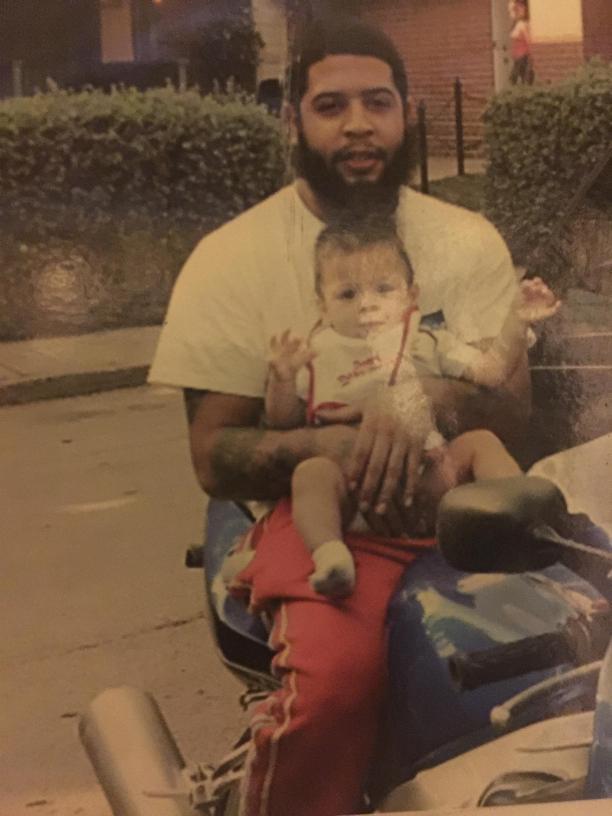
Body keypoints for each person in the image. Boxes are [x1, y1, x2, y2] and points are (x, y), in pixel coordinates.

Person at [149, 16, 534, 816]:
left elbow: (514, 410)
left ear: (407, 114)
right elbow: (213, 456)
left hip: (450, 504)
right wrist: (335, 441)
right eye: (331, 105)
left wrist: (422, 399)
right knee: (337, 685)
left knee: (553, 662)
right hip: (320, 516)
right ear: (292, 121)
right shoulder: (231, 258)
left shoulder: (465, 241)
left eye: (377, 102)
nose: (358, 124)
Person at [261, 222, 560, 598]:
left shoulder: (428, 342)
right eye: (348, 294)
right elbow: (285, 422)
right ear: (322, 305)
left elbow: (493, 371)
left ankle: (519, 524)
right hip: (353, 491)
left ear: (411, 294)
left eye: (383, 289)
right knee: (311, 474)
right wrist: (282, 380)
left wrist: (516, 322)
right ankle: (331, 555)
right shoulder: (317, 356)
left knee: (481, 443)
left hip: (431, 481)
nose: (367, 304)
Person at [509, 0, 534, 85]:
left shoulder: (522, 25)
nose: (512, 14)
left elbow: (528, 41)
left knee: (516, 80)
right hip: (517, 57)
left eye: (515, 9)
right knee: (514, 79)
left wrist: (530, 57)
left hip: (523, 57)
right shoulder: (517, 24)